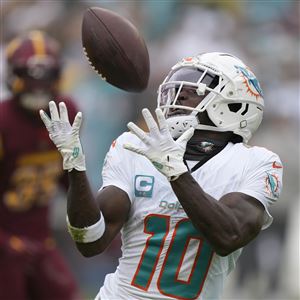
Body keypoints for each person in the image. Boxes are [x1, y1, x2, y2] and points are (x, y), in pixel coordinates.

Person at [40, 52, 283, 300]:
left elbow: (228, 236)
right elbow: (90, 241)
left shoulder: (256, 162)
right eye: (176, 89)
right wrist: (74, 168)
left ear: (235, 105)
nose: (179, 96)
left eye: (193, 90)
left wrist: (177, 173)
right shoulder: (134, 146)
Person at [0, 31, 80, 300]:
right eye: (30, 76)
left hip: (41, 239)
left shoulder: (65, 110)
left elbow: (70, 179)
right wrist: (6, 241)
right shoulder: (3, 121)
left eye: (46, 76)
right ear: (13, 74)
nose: (38, 85)